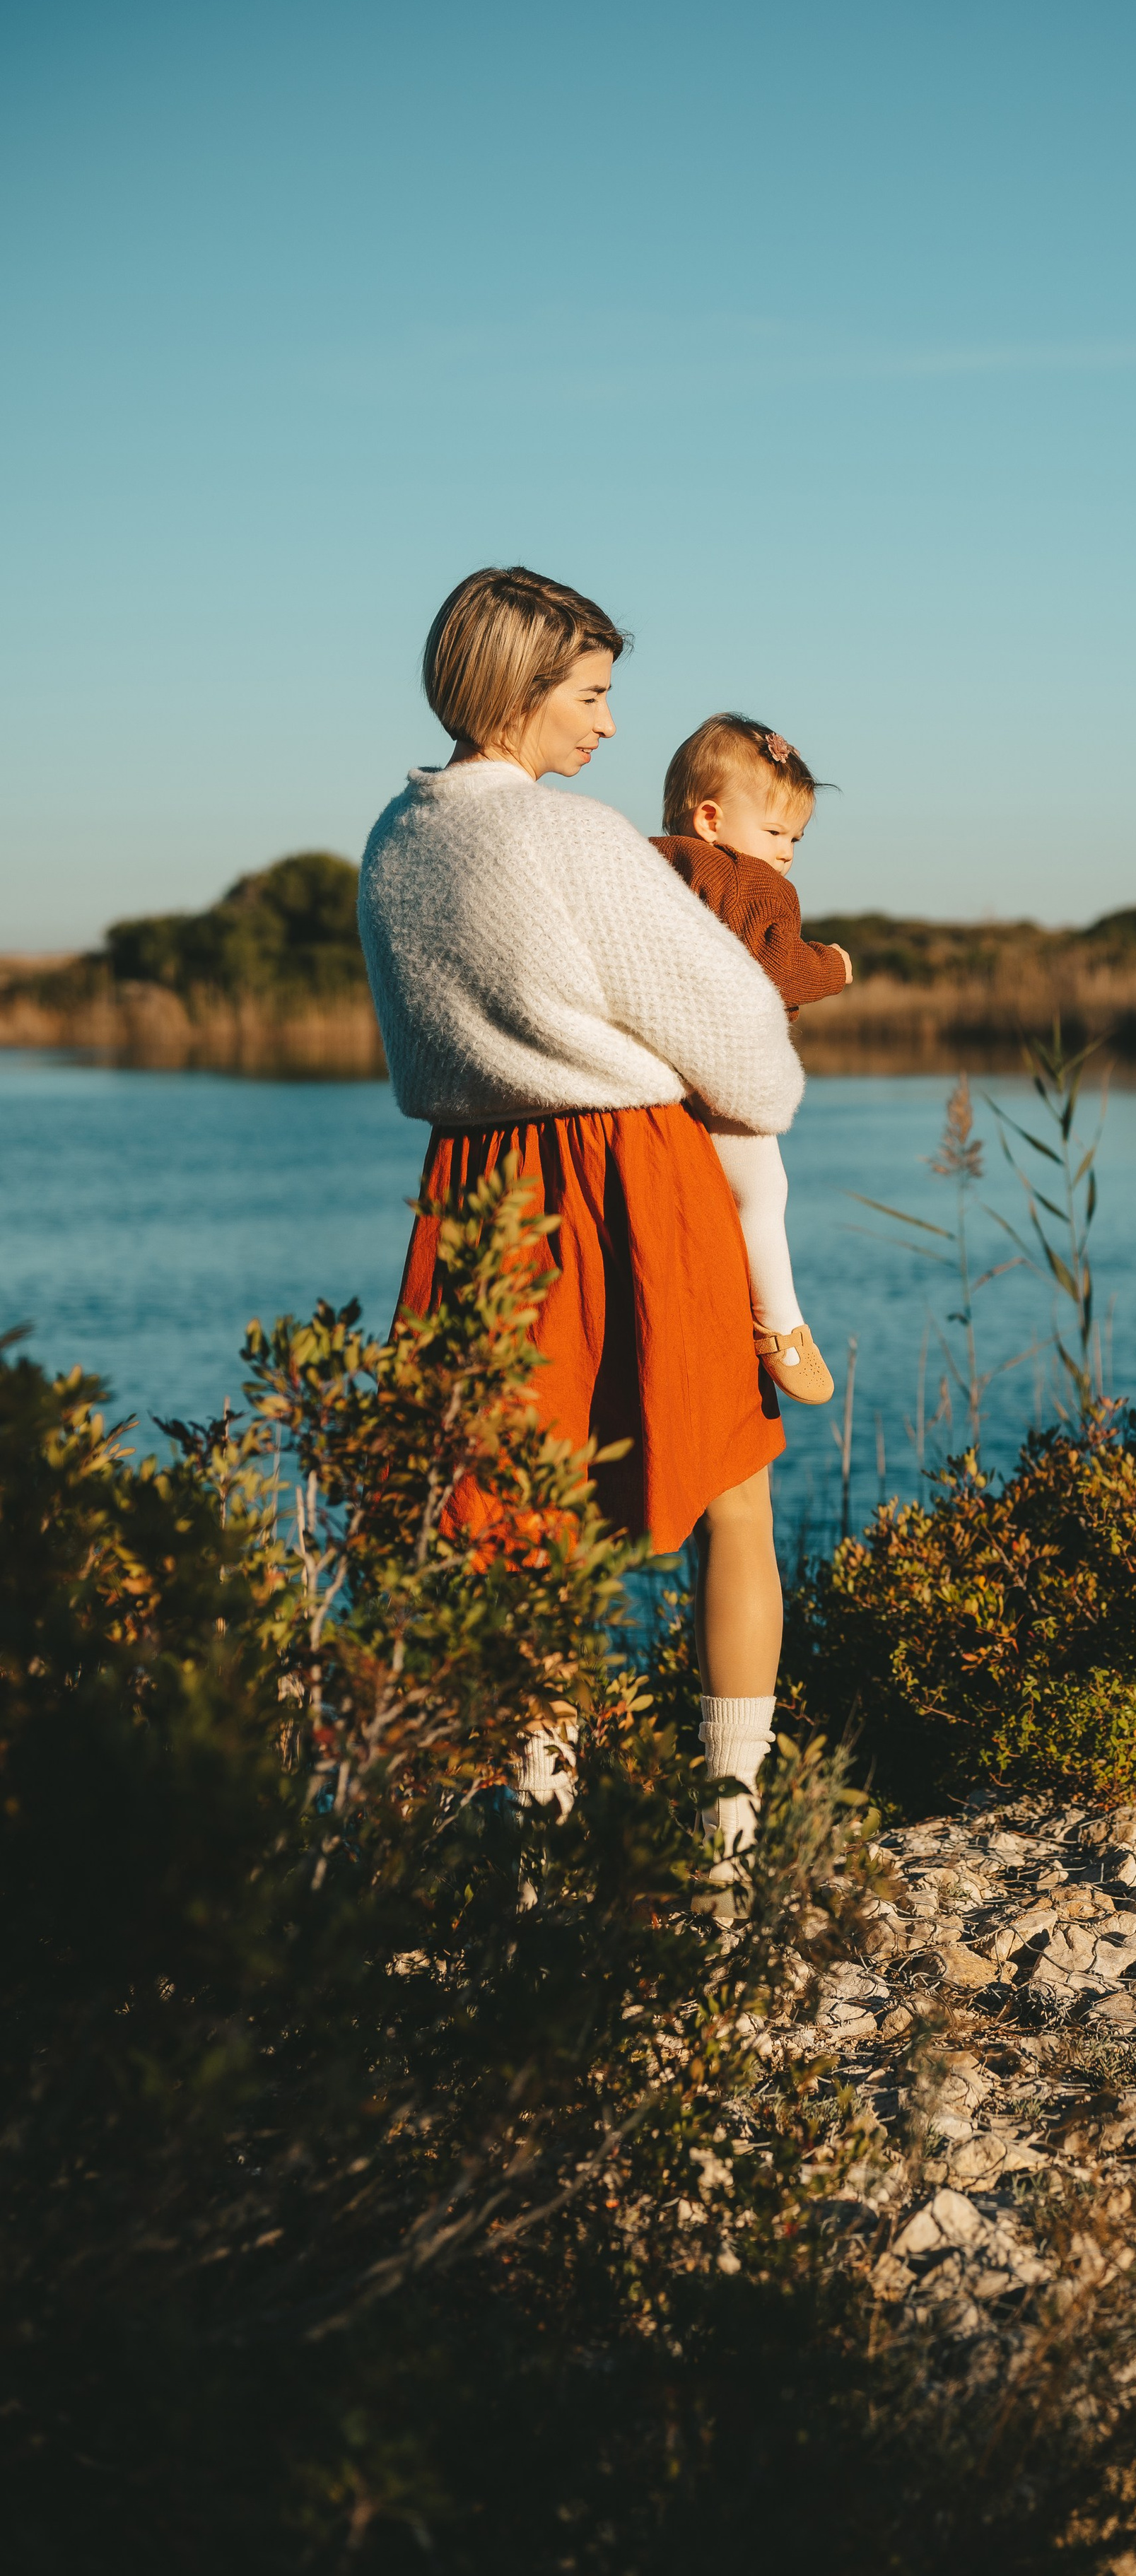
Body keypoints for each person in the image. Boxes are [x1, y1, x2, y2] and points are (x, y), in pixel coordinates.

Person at [358, 565, 797, 1847]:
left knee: (514, 1521)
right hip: (629, 1173)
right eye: (592, 695)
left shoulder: (397, 837)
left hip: (476, 1193)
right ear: (522, 689)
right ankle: (728, 1836)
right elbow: (749, 1052)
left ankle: (531, 1841)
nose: (608, 727)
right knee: (733, 1493)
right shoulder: (574, 836)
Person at [651, 713, 852, 1409]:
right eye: (775, 832)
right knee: (764, 1195)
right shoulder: (752, 881)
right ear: (711, 817)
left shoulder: (652, 861)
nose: (787, 852)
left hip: (665, 1076)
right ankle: (781, 1325)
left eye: (795, 837)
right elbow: (772, 966)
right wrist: (831, 966)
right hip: (727, 1074)